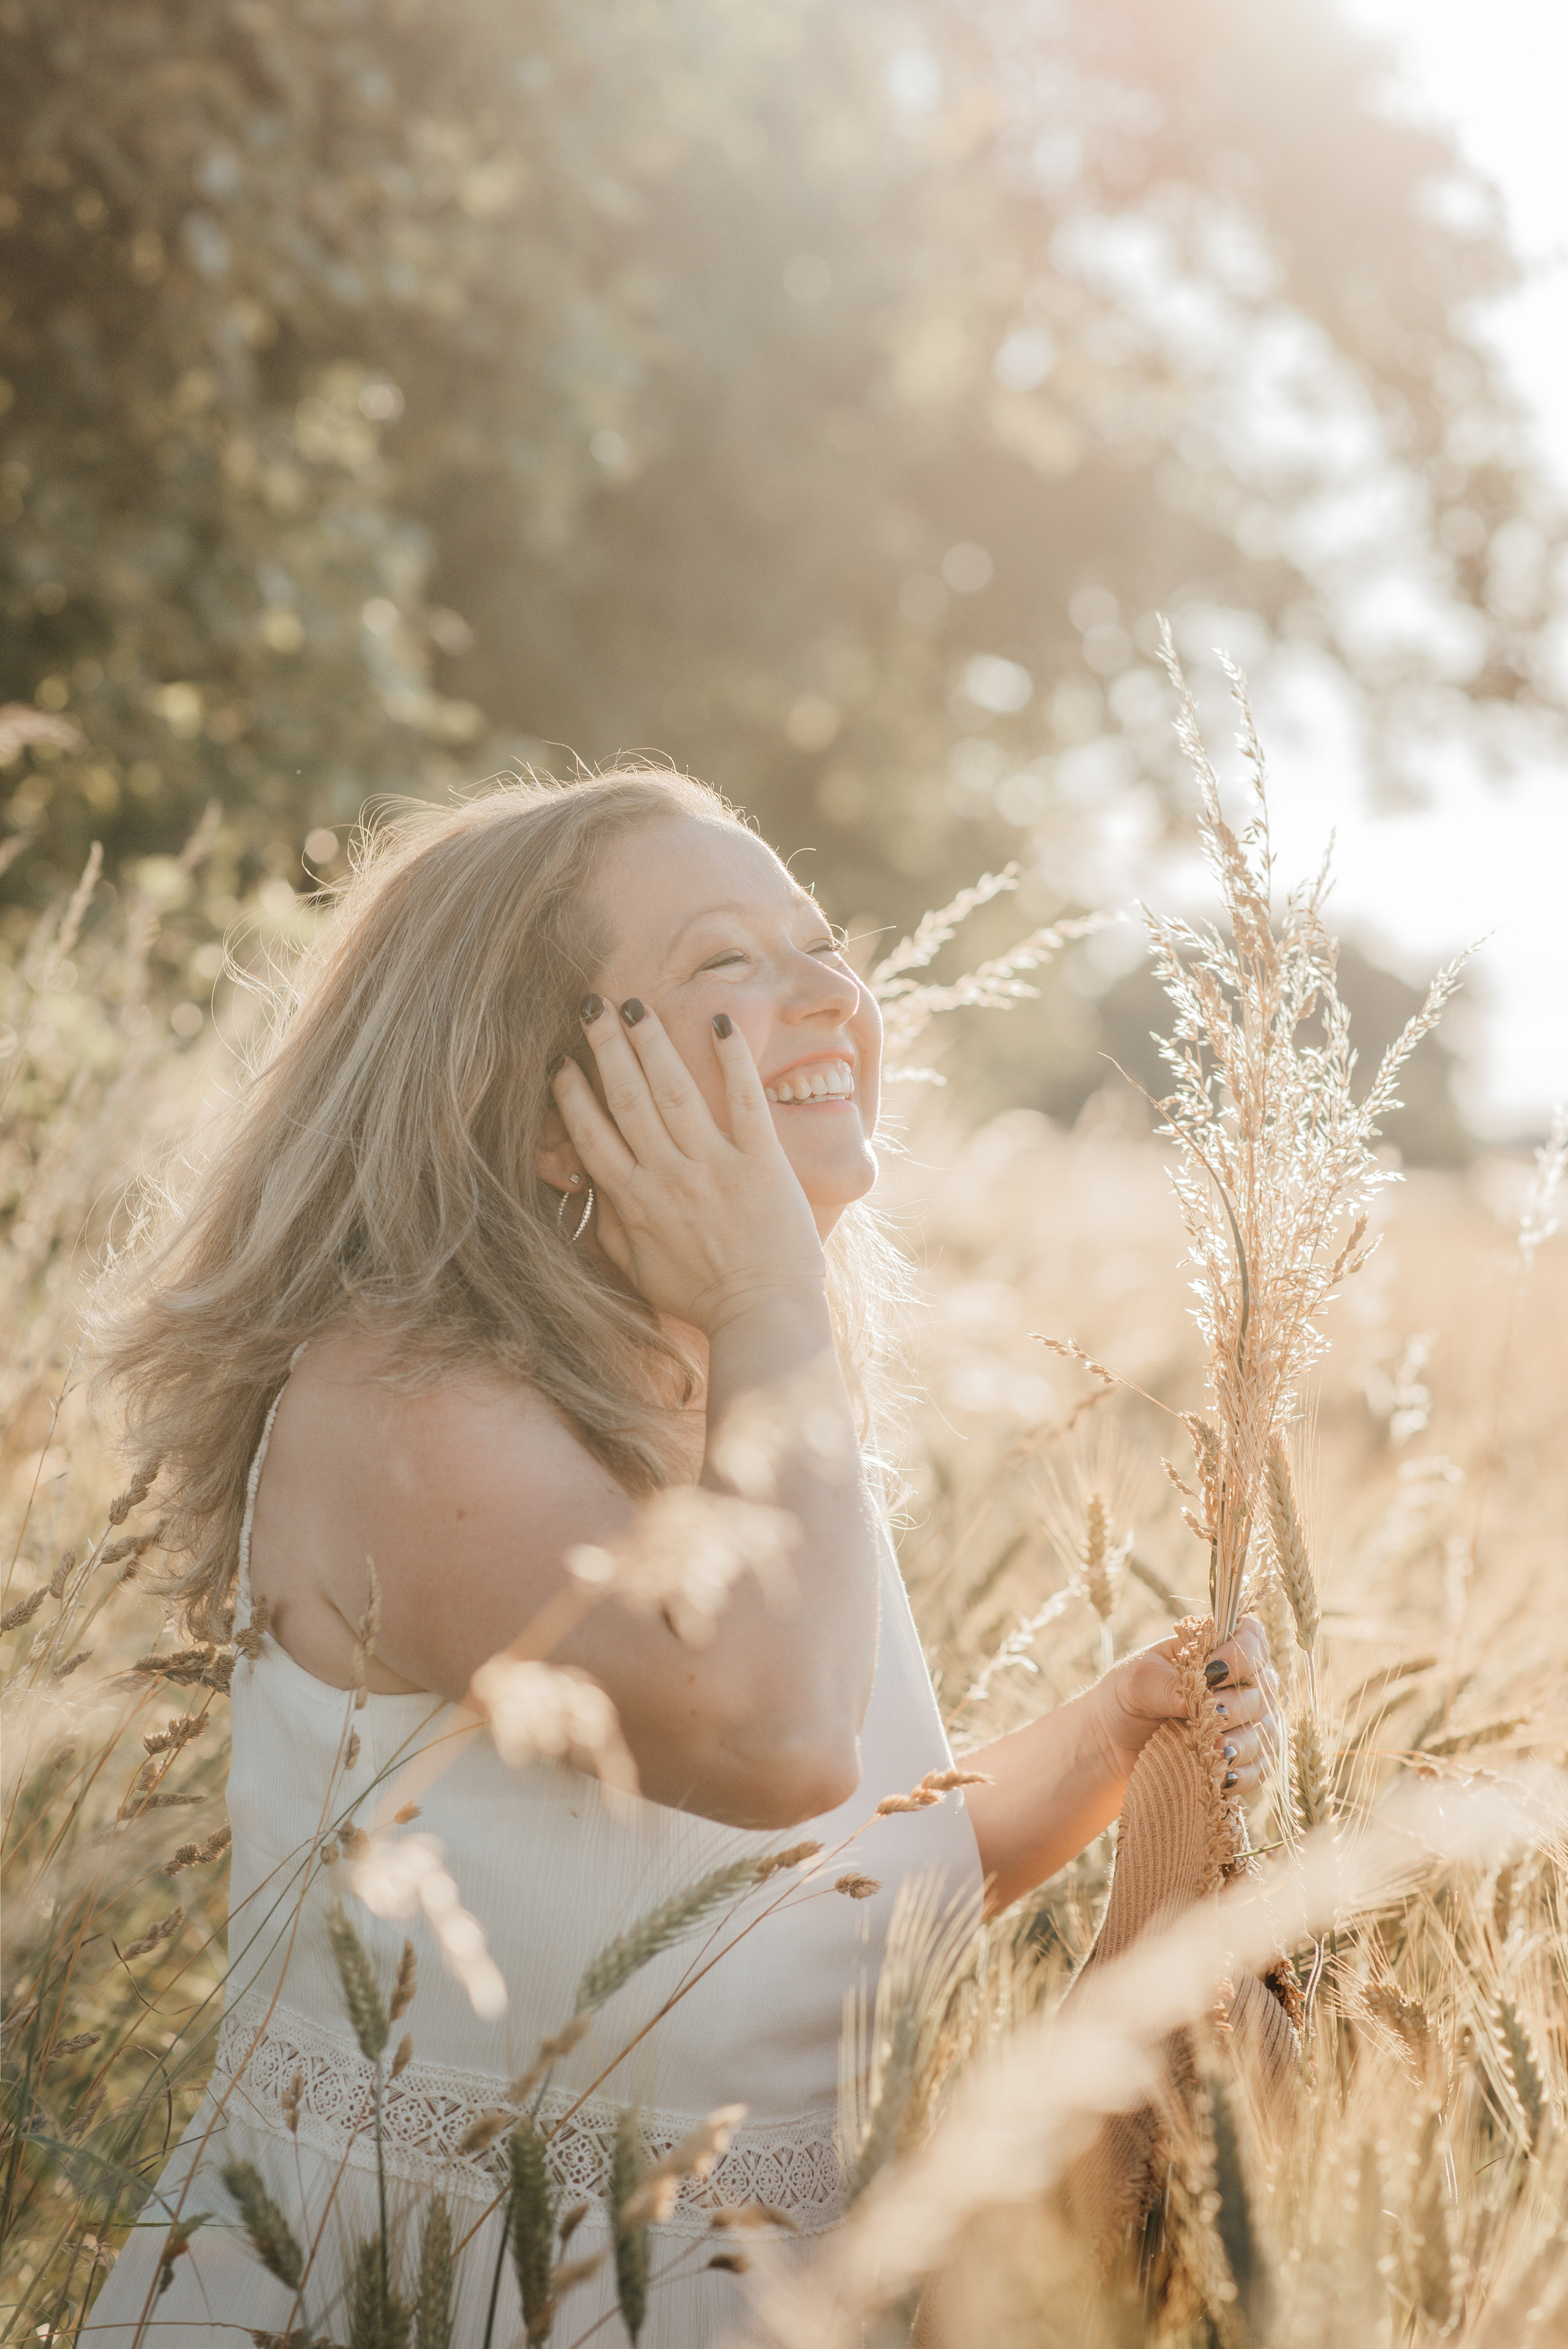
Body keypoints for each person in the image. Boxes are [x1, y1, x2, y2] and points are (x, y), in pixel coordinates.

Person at [86, 771, 1280, 2347]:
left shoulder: (723, 1410)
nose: (830, 995)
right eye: (728, 962)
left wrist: (1110, 1741)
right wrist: (770, 1297)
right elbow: (771, 1744)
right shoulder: (402, 1414)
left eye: (821, 946)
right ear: (542, 1108)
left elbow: (816, 1889)